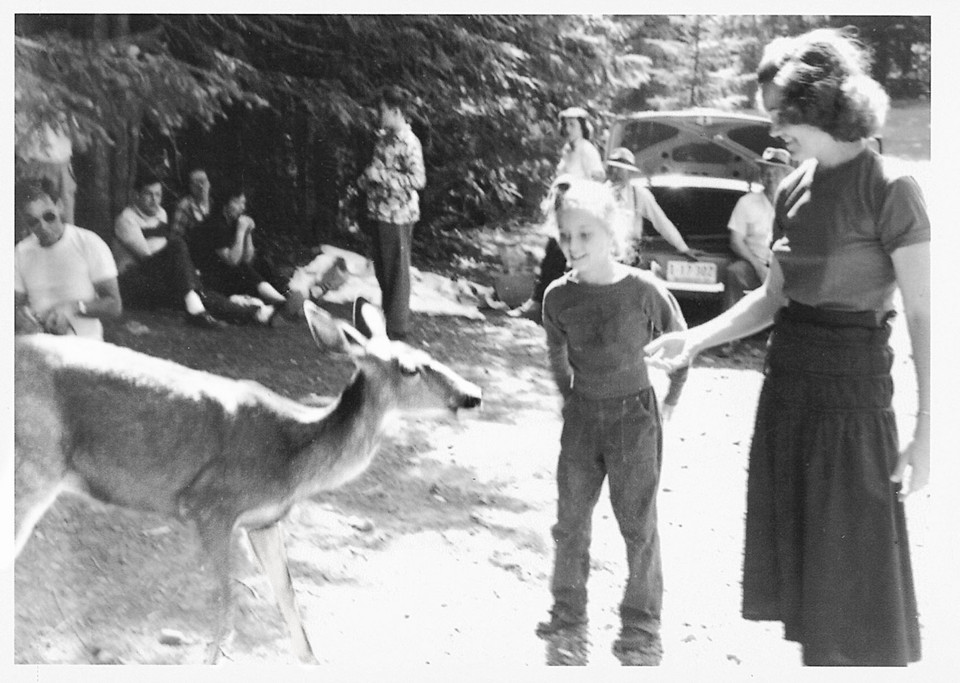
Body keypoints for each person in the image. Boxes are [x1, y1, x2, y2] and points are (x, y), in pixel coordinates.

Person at [644, 29, 929, 666]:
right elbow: (774, 298)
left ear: (826, 105)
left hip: (851, 405)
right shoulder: (794, 185)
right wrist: (693, 339)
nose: (774, 133)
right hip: (788, 392)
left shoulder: (891, 186)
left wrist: (929, 428)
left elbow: (923, 312)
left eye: (782, 117)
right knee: (808, 596)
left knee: (853, 597)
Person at [536, 178, 688, 666]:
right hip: (582, 420)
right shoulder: (557, 297)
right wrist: (568, 398)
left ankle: (641, 625)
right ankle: (568, 616)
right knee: (571, 522)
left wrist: (670, 401)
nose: (574, 246)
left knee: (637, 524)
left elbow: (681, 343)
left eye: (586, 235)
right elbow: (557, 355)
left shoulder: (644, 291)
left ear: (611, 233)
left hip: (634, 419)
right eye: (566, 236)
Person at [509, 106, 605, 324]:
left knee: (563, 257)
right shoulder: (568, 150)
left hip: (578, 213)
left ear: (583, 126)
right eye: (566, 124)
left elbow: (597, 178)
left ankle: (546, 307)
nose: (568, 128)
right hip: (563, 211)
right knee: (555, 256)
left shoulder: (587, 150)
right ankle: (543, 306)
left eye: (573, 124)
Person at [111, 170, 226, 328]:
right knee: (177, 246)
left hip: (154, 279)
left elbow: (162, 253)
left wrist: (184, 270)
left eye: (158, 194)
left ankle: (260, 313)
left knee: (196, 293)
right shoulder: (126, 219)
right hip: (131, 282)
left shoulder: (161, 214)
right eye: (149, 194)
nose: (155, 200)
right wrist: (180, 266)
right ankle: (196, 310)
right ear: (135, 195)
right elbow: (147, 255)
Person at [357, 85, 426, 340]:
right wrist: (366, 180)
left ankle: (397, 328)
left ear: (396, 111)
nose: (379, 113)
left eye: (383, 109)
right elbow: (377, 170)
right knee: (383, 270)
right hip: (379, 213)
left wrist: (383, 177)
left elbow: (418, 179)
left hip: (398, 215)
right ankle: (388, 320)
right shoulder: (383, 138)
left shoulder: (410, 142)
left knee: (397, 271)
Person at [15, 177, 121, 340]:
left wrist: (73, 308)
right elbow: (15, 305)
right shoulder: (21, 252)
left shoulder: (88, 242)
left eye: (49, 216)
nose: (43, 227)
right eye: (33, 222)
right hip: (39, 344)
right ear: (25, 222)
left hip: (85, 347)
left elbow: (114, 305)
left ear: (60, 207)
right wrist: (21, 317)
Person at [188, 184, 293, 326]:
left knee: (258, 263)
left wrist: (248, 233)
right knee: (241, 267)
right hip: (209, 280)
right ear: (226, 204)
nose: (243, 207)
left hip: (227, 276)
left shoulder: (232, 223)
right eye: (238, 202)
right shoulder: (215, 225)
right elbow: (232, 260)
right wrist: (242, 230)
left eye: (243, 203)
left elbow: (248, 258)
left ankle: (281, 298)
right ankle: (281, 302)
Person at [723, 147, 793, 310]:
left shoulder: (795, 204)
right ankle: (732, 334)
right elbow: (736, 241)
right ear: (761, 175)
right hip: (754, 264)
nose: (770, 177)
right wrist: (759, 267)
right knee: (735, 272)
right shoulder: (746, 202)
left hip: (784, 267)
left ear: (787, 176)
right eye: (766, 172)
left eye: (776, 172)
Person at [604, 147, 698, 259]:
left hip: (630, 254)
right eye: (612, 168)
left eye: (620, 169)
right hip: (604, 253)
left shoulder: (640, 194)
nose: (615, 172)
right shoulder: (598, 193)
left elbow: (662, 223)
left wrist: (683, 248)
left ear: (629, 173)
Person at [171, 167, 211, 239]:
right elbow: (176, 237)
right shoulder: (184, 206)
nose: (201, 186)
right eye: (196, 182)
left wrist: (206, 200)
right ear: (190, 186)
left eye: (203, 182)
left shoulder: (212, 202)